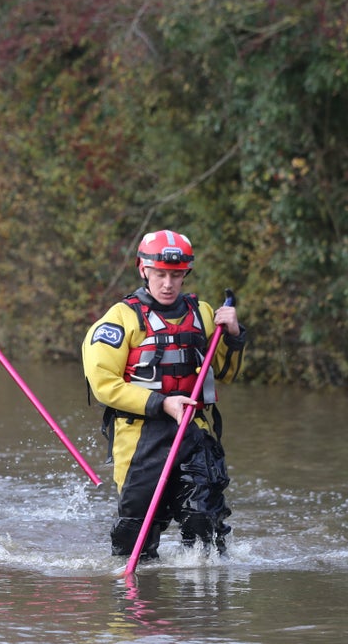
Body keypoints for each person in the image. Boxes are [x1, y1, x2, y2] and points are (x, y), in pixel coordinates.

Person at [82, 229, 246, 560]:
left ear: (185, 273)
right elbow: (103, 385)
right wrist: (162, 403)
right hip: (141, 439)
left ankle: (202, 604)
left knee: (205, 523)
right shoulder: (119, 318)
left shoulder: (202, 313)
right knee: (136, 539)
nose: (168, 284)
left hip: (193, 432)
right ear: (143, 270)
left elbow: (227, 372)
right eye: (160, 274)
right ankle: (138, 603)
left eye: (175, 275)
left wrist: (234, 336)